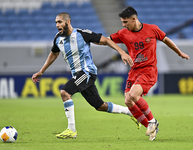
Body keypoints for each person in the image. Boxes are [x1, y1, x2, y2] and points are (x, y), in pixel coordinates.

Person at [31, 12, 141, 139]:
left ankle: (71, 130)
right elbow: (54, 54)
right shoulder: (58, 39)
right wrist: (41, 71)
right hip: (78, 75)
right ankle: (131, 112)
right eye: (56, 22)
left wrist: (122, 52)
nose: (57, 25)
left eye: (59, 22)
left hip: (87, 72)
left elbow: (105, 40)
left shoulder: (82, 34)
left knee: (65, 92)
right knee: (100, 106)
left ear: (68, 22)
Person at [109, 6, 190, 141]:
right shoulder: (123, 33)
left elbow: (166, 39)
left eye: (125, 22)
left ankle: (152, 121)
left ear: (134, 19)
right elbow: (107, 40)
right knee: (128, 100)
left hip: (149, 70)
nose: (123, 25)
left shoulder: (152, 29)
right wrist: (120, 51)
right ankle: (151, 126)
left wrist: (179, 52)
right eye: (122, 22)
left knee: (134, 94)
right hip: (134, 71)